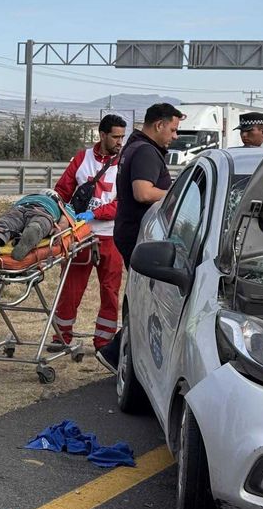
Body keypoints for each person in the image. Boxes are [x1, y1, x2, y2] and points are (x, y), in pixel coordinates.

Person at [102, 103, 184, 372]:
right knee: (144, 301)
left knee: (142, 299)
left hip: (133, 233)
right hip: (140, 235)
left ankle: (121, 352)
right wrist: (179, 196)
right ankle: (118, 352)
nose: (174, 136)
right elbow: (143, 193)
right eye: (172, 130)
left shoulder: (136, 147)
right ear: (159, 125)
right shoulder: (147, 152)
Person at [52, 114, 126, 354]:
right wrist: (63, 217)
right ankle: (61, 337)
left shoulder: (125, 162)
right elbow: (62, 191)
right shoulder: (82, 158)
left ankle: (103, 342)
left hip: (111, 236)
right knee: (70, 288)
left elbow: (124, 203)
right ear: (102, 135)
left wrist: (98, 213)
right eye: (115, 136)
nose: (119, 141)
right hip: (80, 235)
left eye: (122, 137)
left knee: (110, 291)